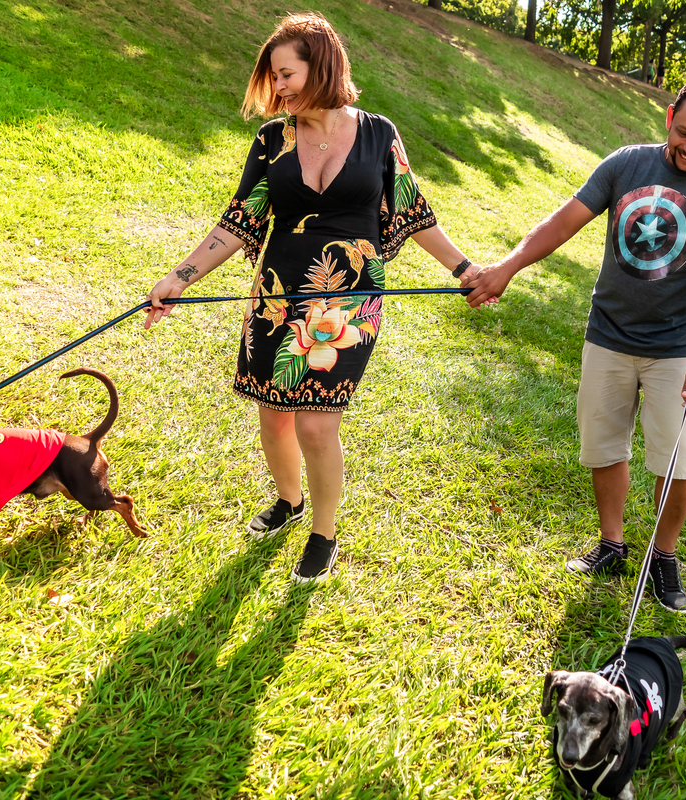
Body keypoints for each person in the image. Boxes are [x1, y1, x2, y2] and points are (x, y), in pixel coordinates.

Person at [144, 12, 477, 583]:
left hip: (348, 300)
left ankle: (323, 532)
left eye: (286, 74)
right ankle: (289, 500)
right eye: (274, 78)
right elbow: (238, 222)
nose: (279, 87)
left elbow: (414, 212)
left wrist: (466, 268)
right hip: (277, 294)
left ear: (321, 65)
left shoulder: (378, 134)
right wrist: (180, 276)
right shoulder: (272, 139)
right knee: (273, 415)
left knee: (316, 423)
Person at [465, 72, 686, 613]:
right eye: (684, 132)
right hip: (608, 334)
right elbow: (563, 222)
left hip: (677, 347)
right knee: (604, 445)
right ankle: (612, 544)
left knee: (677, 461)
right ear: (671, 117)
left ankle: (662, 557)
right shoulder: (626, 163)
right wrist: (507, 267)